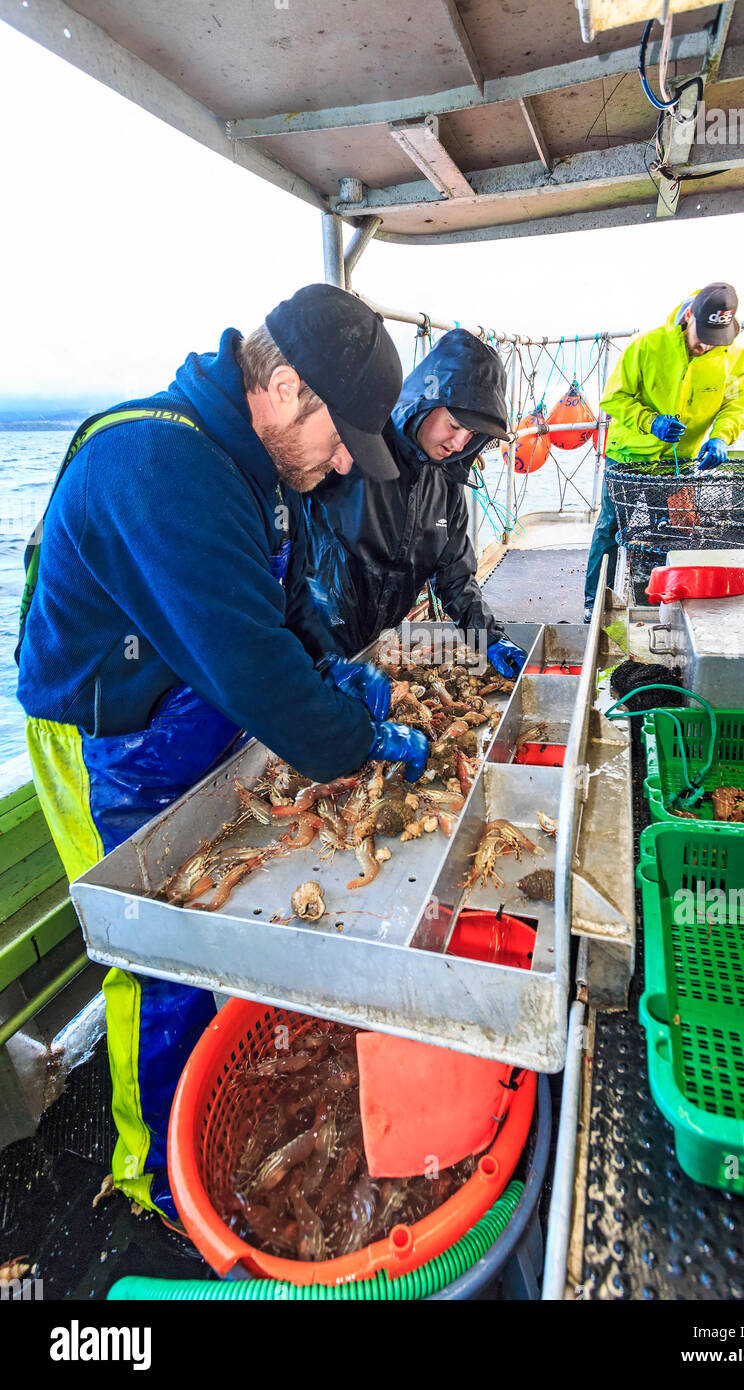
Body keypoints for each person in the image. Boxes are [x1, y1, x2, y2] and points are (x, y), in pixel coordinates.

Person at [16, 284, 429, 1224]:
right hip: (104, 732)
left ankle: (229, 1094)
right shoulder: (160, 465)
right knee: (152, 948)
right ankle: (153, 1175)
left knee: (217, 921)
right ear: (285, 387)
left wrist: (334, 666)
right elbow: (255, 670)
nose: (335, 468)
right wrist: (355, 737)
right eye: (336, 441)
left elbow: (277, 616)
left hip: (188, 698)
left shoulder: (251, 463)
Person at [298, 328, 527, 678]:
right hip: (312, 642)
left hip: (373, 646)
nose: (459, 442)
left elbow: (455, 576)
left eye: (473, 435)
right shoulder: (356, 444)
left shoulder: (447, 481)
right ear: (426, 401)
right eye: (454, 424)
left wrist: (489, 638)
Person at [583, 282, 744, 619]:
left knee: (678, 528)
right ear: (689, 315)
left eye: (715, 338)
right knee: (610, 530)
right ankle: (595, 604)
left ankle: (664, 604)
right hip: (628, 458)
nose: (706, 345)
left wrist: (721, 436)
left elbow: (738, 403)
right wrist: (651, 422)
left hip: (681, 461)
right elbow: (613, 398)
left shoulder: (734, 354)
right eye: (702, 334)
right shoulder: (647, 345)